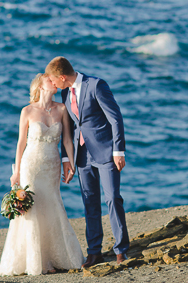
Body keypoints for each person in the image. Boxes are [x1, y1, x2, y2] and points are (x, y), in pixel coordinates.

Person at [0, 74, 84, 276]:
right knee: (32, 207)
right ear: (40, 86)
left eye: (54, 80)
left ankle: (56, 256)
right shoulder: (27, 111)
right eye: (48, 80)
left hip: (52, 165)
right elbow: (21, 143)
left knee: (52, 203)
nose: (53, 82)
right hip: (31, 165)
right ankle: (37, 261)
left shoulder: (62, 109)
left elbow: (67, 140)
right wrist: (16, 172)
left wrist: (71, 163)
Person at [45, 56, 129, 267]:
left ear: (62, 77)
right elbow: (69, 128)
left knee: (112, 199)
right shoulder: (66, 92)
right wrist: (67, 158)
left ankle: (121, 249)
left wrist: (119, 150)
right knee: (89, 202)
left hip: (106, 152)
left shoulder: (96, 85)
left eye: (54, 81)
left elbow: (115, 117)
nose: (53, 85)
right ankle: (95, 252)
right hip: (82, 156)